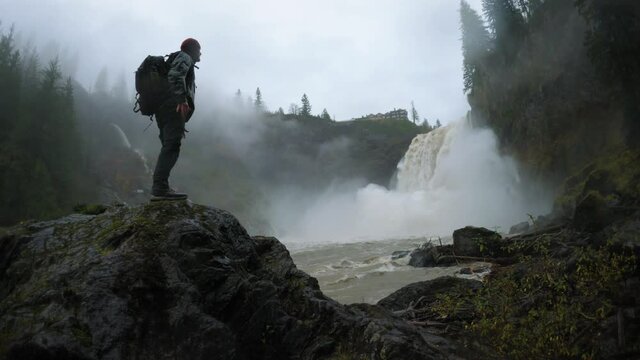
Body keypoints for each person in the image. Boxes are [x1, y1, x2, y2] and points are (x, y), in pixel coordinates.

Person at [151, 38, 201, 201]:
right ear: (193, 50)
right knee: (172, 146)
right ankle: (160, 187)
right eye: (199, 50)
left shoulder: (179, 57)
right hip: (172, 107)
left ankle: (161, 186)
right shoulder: (185, 57)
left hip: (164, 109)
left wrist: (181, 122)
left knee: (169, 145)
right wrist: (181, 100)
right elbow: (175, 75)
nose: (201, 54)